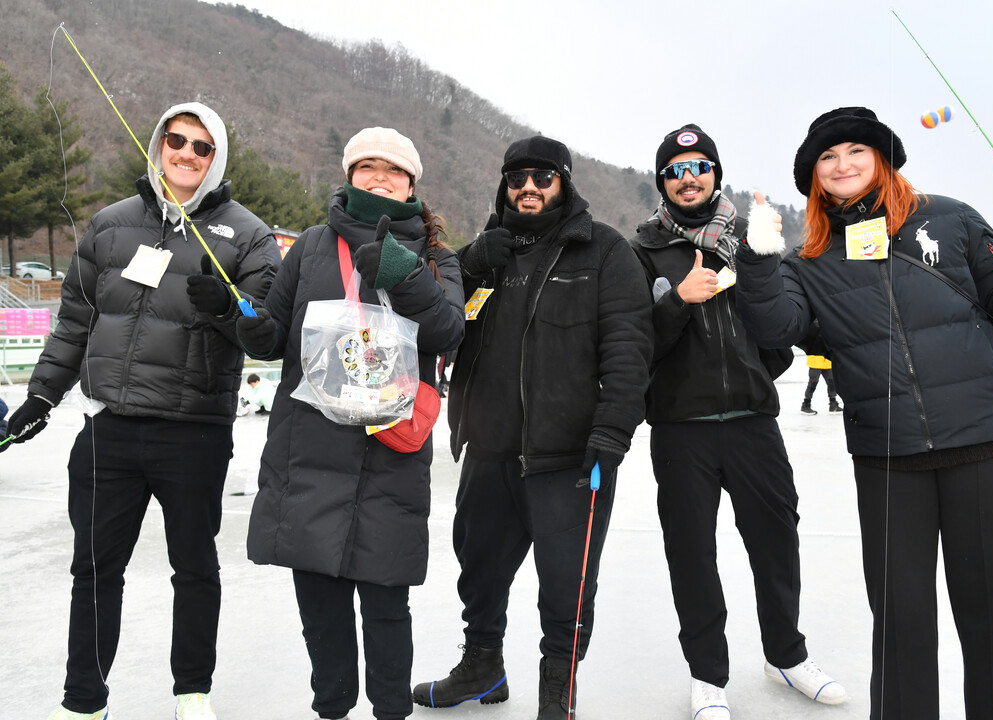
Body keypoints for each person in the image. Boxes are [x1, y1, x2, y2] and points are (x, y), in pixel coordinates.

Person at [734, 106, 993, 720]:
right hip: (889, 456)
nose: (842, 165)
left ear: (882, 158)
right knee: (901, 619)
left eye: (855, 152)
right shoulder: (807, 260)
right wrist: (757, 259)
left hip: (984, 442)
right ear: (814, 178)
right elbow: (777, 327)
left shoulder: (950, 217)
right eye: (827, 159)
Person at [0, 102, 280, 720]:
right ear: (157, 145)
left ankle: (191, 692)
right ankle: (83, 702)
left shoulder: (249, 234)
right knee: (95, 570)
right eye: (175, 140)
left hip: (194, 432)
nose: (185, 153)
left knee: (195, 567)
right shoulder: (109, 225)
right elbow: (75, 320)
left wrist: (226, 310)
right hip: (110, 430)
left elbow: (269, 335)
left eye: (201, 146)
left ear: (217, 158)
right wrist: (42, 396)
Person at [411, 136, 652, 720]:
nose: (528, 187)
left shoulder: (604, 252)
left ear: (563, 183)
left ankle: (556, 699)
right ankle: (483, 669)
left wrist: (612, 432)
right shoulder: (484, 256)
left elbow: (629, 347)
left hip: (570, 455)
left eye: (542, 177)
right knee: (480, 569)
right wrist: (468, 265)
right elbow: (434, 320)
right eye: (517, 177)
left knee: (566, 588)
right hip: (491, 449)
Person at [237, 127, 465, 720]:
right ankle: (331, 708)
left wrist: (405, 275)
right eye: (367, 166)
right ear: (349, 175)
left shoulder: (439, 257)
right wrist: (237, 320)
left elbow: (448, 333)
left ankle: (391, 710)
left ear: (412, 183)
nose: (380, 177)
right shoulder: (312, 246)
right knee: (320, 604)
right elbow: (272, 333)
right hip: (309, 447)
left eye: (393, 169)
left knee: (387, 605)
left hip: (388, 451)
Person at [628, 124, 845, 720]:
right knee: (691, 552)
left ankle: (787, 654)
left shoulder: (753, 240)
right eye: (675, 170)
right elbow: (629, 345)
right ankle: (708, 676)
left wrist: (756, 367)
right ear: (663, 182)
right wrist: (676, 301)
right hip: (679, 427)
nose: (688, 177)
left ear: (716, 174)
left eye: (699, 166)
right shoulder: (641, 251)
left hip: (753, 423)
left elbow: (783, 329)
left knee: (777, 541)